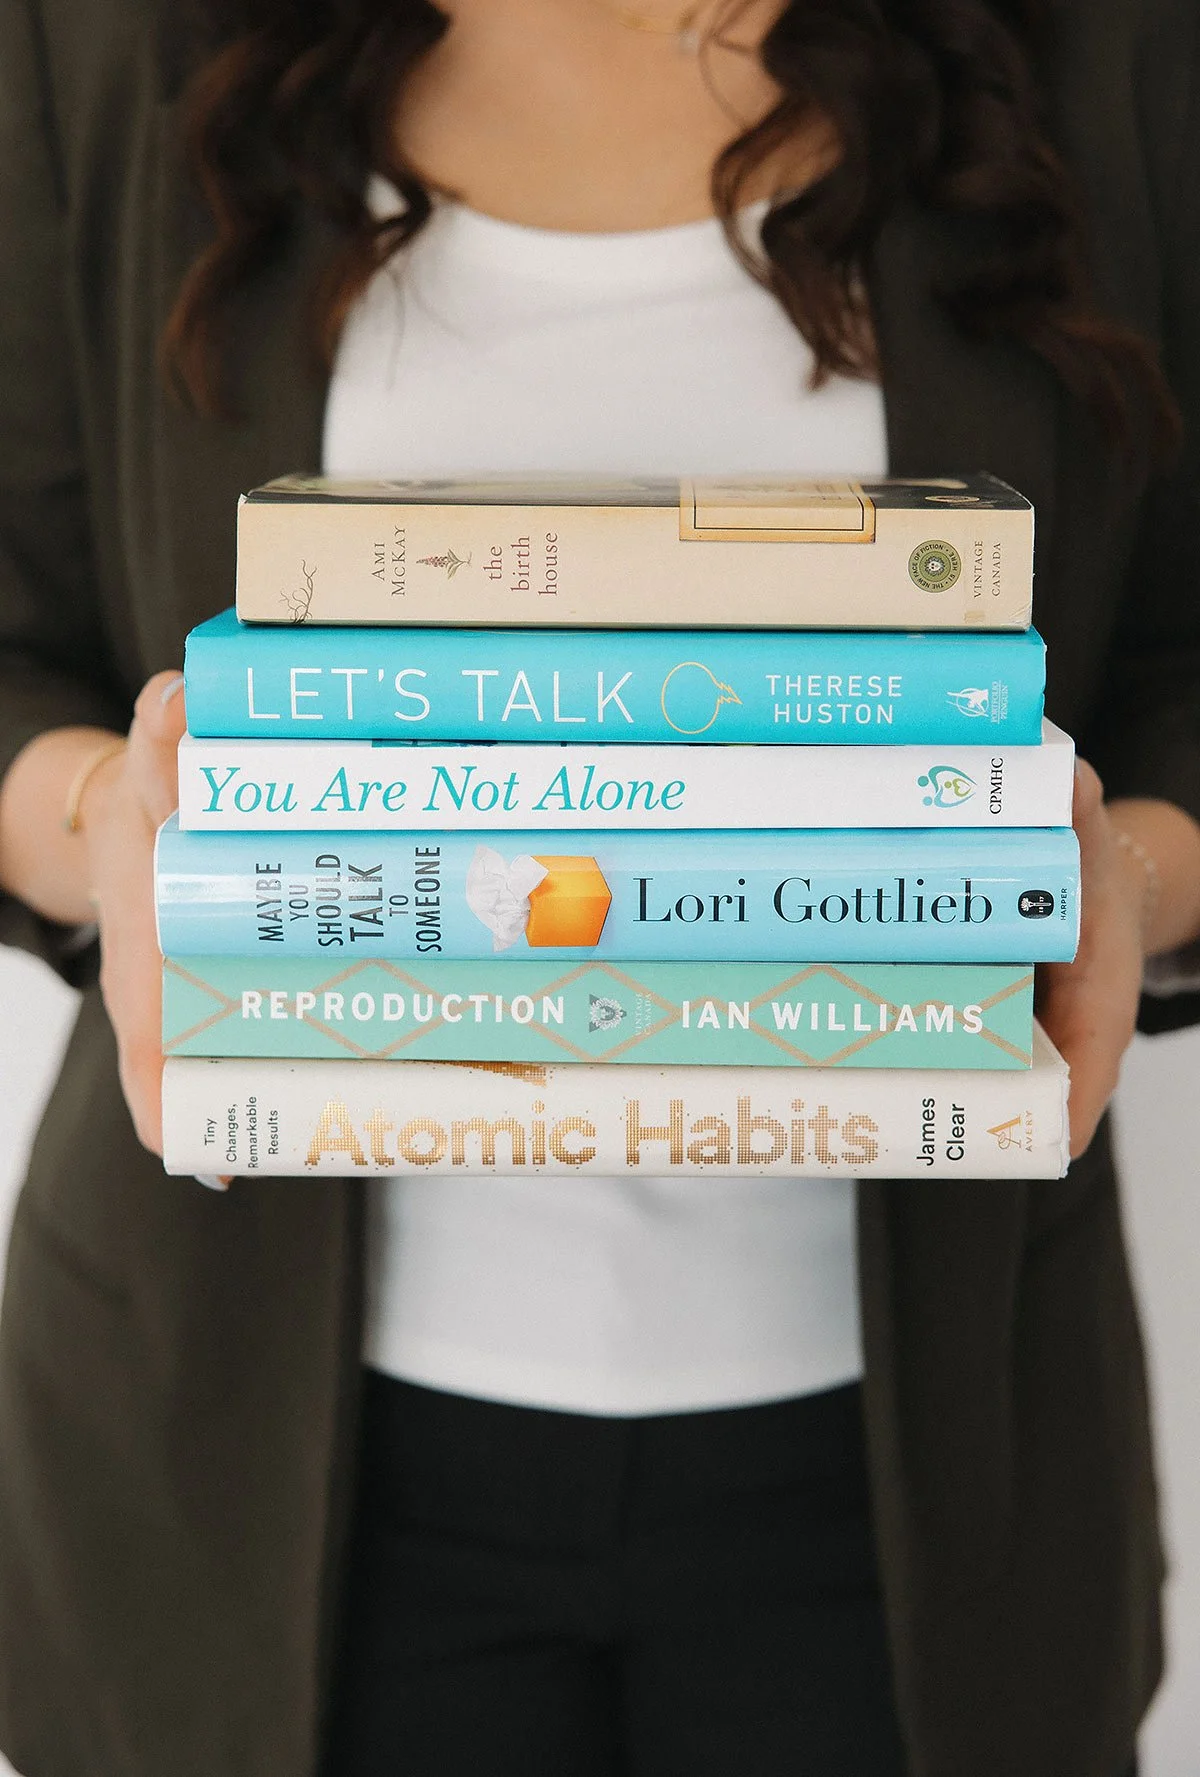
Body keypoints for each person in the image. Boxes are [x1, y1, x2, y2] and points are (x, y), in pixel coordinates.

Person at [0, 0, 1197, 1773]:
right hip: (248, 1457)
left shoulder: (1111, 46)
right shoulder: (100, 36)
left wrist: (1119, 874)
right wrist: (117, 811)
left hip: (911, 1485)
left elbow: (1178, 666)